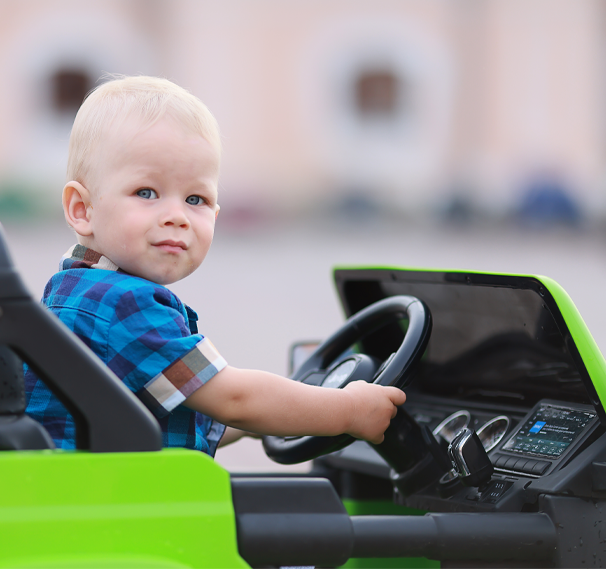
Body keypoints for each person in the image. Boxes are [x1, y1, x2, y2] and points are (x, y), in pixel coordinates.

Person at [25, 75, 405, 456]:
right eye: (146, 192)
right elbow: (234, 398)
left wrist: (266, 421)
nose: (177, 216)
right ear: (82, 209)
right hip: (114, 507)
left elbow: (180, 407)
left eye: (196, 199)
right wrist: (349, 410)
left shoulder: (71, 291)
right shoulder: (125, 306)